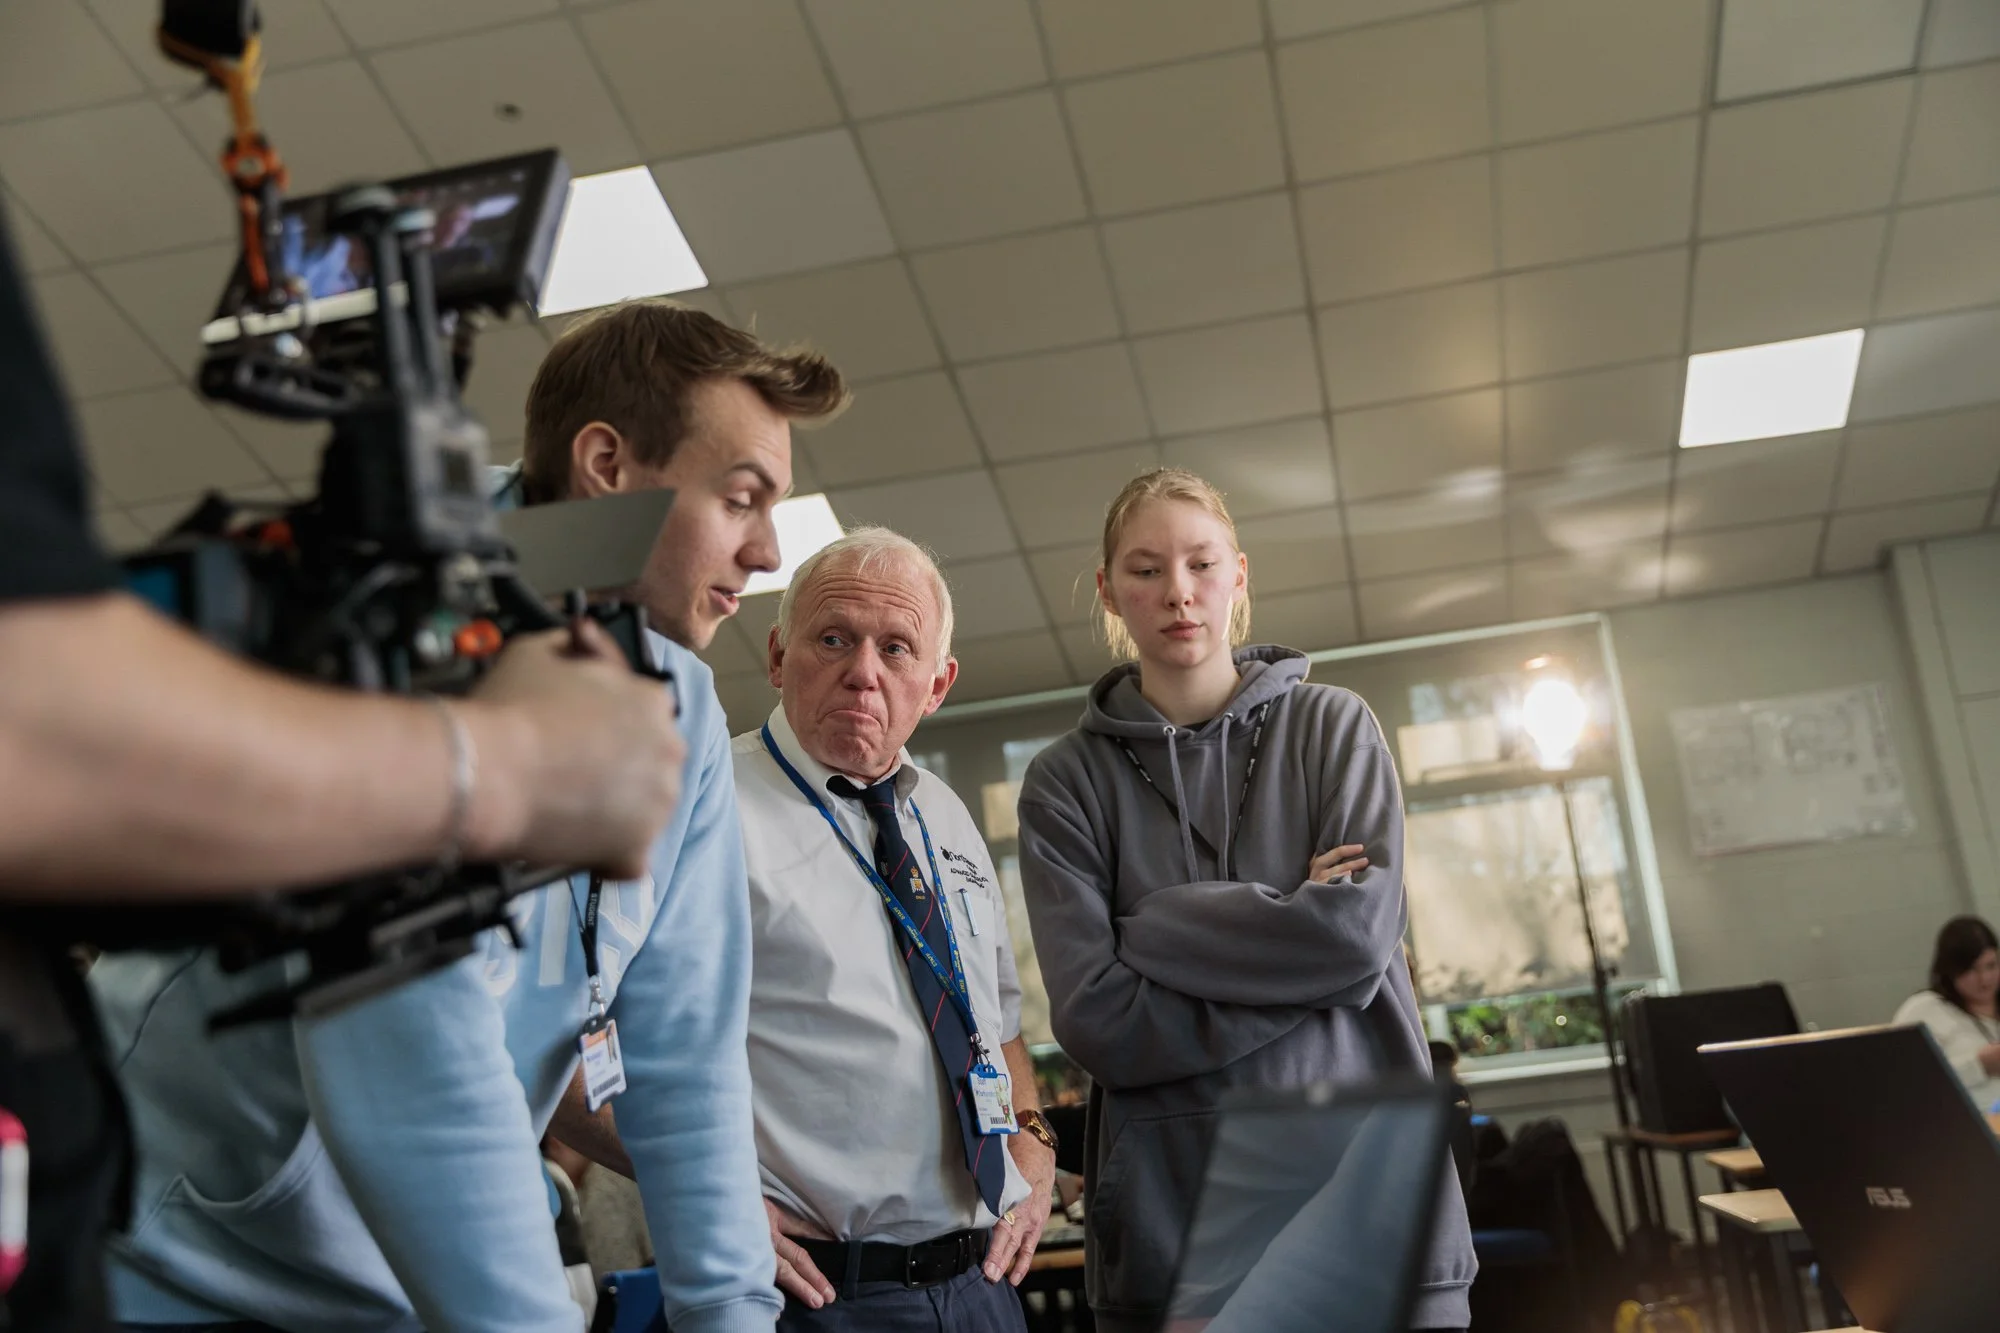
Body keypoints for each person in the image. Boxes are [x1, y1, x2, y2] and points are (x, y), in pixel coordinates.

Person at [86, 298, 848, 1333]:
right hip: (157, 1259)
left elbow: (686, 1053)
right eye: (740, 498)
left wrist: (731, 1319)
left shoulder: (682, 710)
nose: (766, 552)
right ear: (607, 466)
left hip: (384, 1286)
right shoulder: (385, 636)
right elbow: (409, 1049)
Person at [0, 207, 686, 1332]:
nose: (758, 550)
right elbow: (36, 725)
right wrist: (502, 771)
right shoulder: (501, 704)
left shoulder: (659, 700)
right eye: (741, 494)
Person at [1015, 468, 1477, 1333]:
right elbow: (1099, 1018)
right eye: (1146, 569)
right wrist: (1300, 948)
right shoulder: (1063, 784)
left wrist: (1158, 928)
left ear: (1240, 574)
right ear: (1109, 589)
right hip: (1176, 1232)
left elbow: (1355, 938)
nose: (1179, 592)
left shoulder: (1335, 727)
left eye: (1201, 562)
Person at [735, 528, 1057, 1331]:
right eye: (834, 637)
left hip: (983, 1282)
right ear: (778, 656)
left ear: (937, 683)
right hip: (822, 1295)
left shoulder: (944, 813)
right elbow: (576, 1043)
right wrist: (710, 1191)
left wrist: (1036, 1134)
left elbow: (999, 1019)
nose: (863, 672)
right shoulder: (705, 809)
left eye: (897, 647)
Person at [1893, 915, 2000, 1111]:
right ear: (1951, 970)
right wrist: (1979, 1065)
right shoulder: (1925, 1010)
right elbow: (1903, 1082)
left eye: (1991, 966)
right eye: (1972, 970)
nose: (1985, 979)